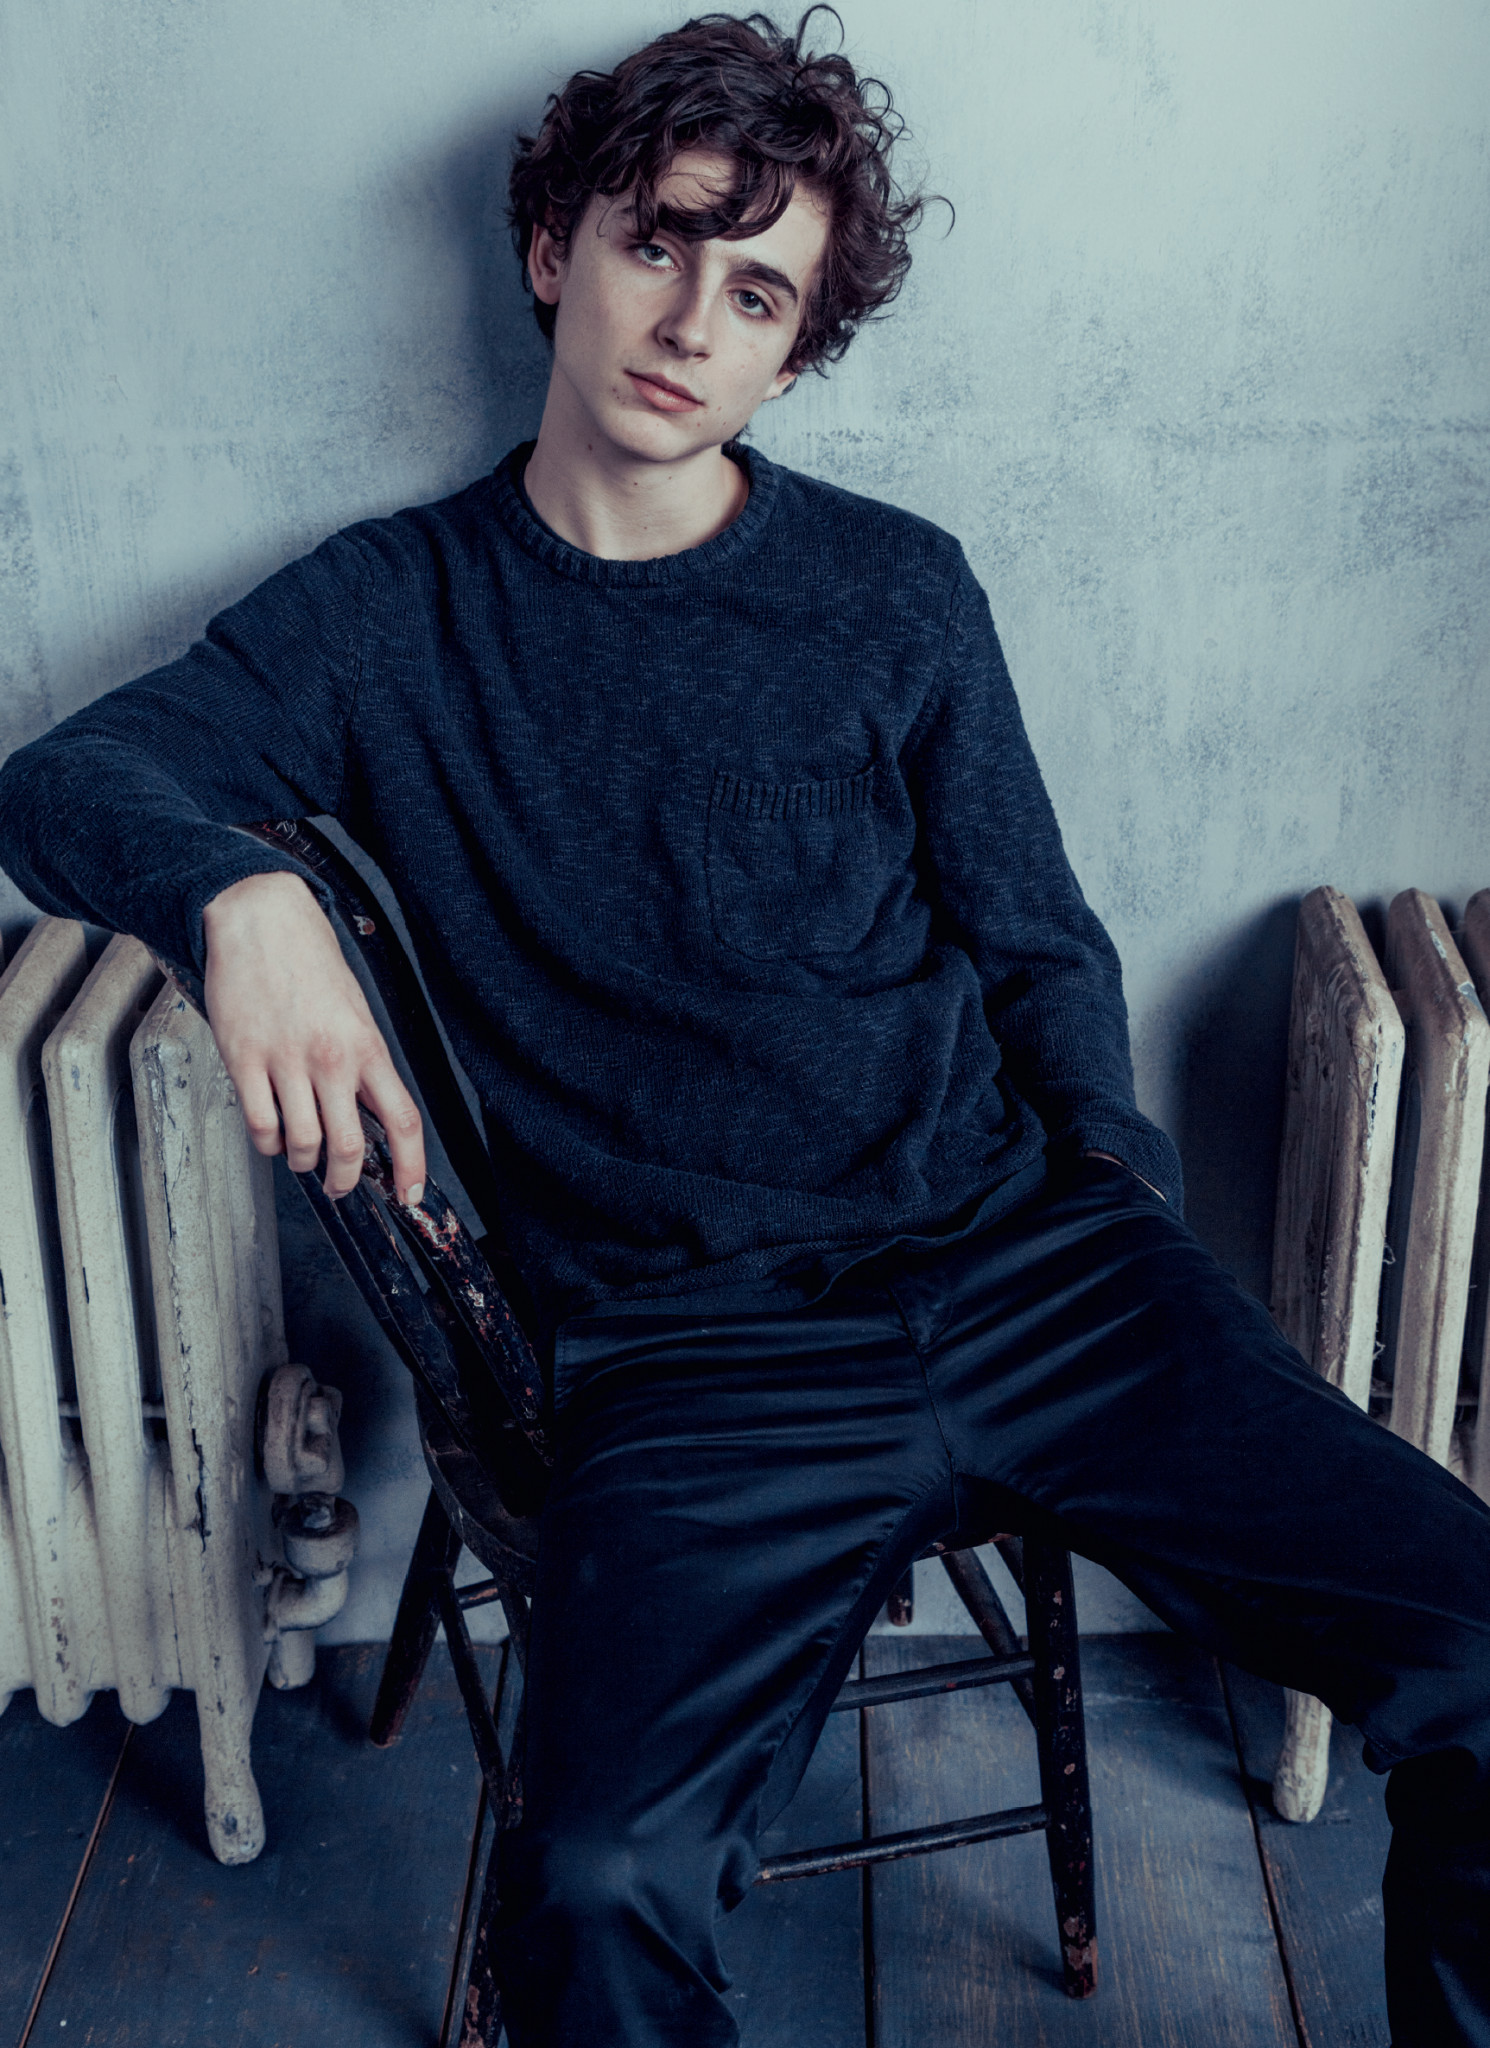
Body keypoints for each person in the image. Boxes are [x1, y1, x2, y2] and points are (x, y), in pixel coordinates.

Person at [1, 11, 1487, 2044]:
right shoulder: (383, 614)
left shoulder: (896, 592)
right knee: (592, 1893)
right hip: (694, 1354)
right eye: (659, 241)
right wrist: (234, 897)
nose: (693, 319)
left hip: (1037, 1266)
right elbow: (60, 779)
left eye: (760, 290)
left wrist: (1115, 1202)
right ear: (555, 249)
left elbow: (1038, 943)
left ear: (795, 353)